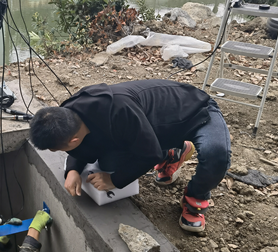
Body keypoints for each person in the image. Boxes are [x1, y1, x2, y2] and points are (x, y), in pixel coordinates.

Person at [29, 79, 231, 234]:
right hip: (155, 127)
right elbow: (83, 145)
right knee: (110, 162)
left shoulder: (118, 110)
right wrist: (73, 169)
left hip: (197, 112)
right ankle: (171, 153)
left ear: (72, 141)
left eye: (61, 150)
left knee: (216, 155)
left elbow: (149, 154)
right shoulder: (70, 113)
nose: (64, 152)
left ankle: (195, 197)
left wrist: (115, 180)